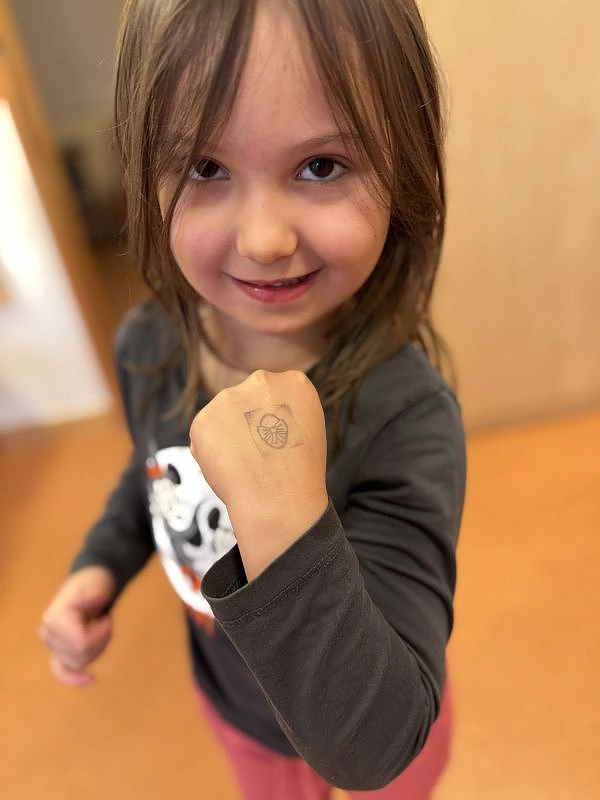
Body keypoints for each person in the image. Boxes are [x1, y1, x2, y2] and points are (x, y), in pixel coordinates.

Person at [40, 1, 466, 797]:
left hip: (378, 718)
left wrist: (286, 516)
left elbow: (379, 742)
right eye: (205, 169)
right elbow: (151, 482)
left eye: (322, 166)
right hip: (241, 713)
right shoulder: (149, 345)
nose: (264, 239)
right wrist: (98, 565)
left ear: (402, 168)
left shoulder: (408, 416)